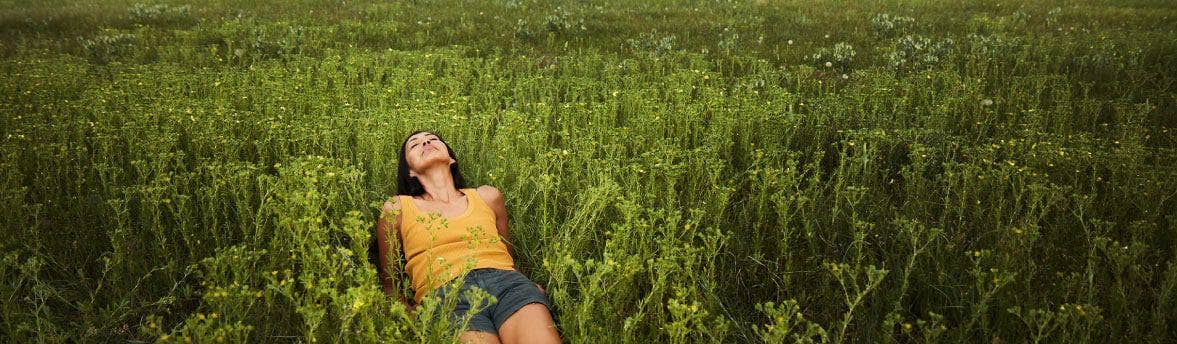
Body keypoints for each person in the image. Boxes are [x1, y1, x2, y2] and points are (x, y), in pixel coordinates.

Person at [375, 130, 561, 344]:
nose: (426, 142)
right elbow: (391, 285)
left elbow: (506, 255)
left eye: (433, 139)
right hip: (446, 297)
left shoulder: (487, 196)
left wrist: (526, 283)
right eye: (414, 145)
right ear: (409, 171)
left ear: (451, 158)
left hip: (508, 285)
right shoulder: (397, 208)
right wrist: (408, 315)